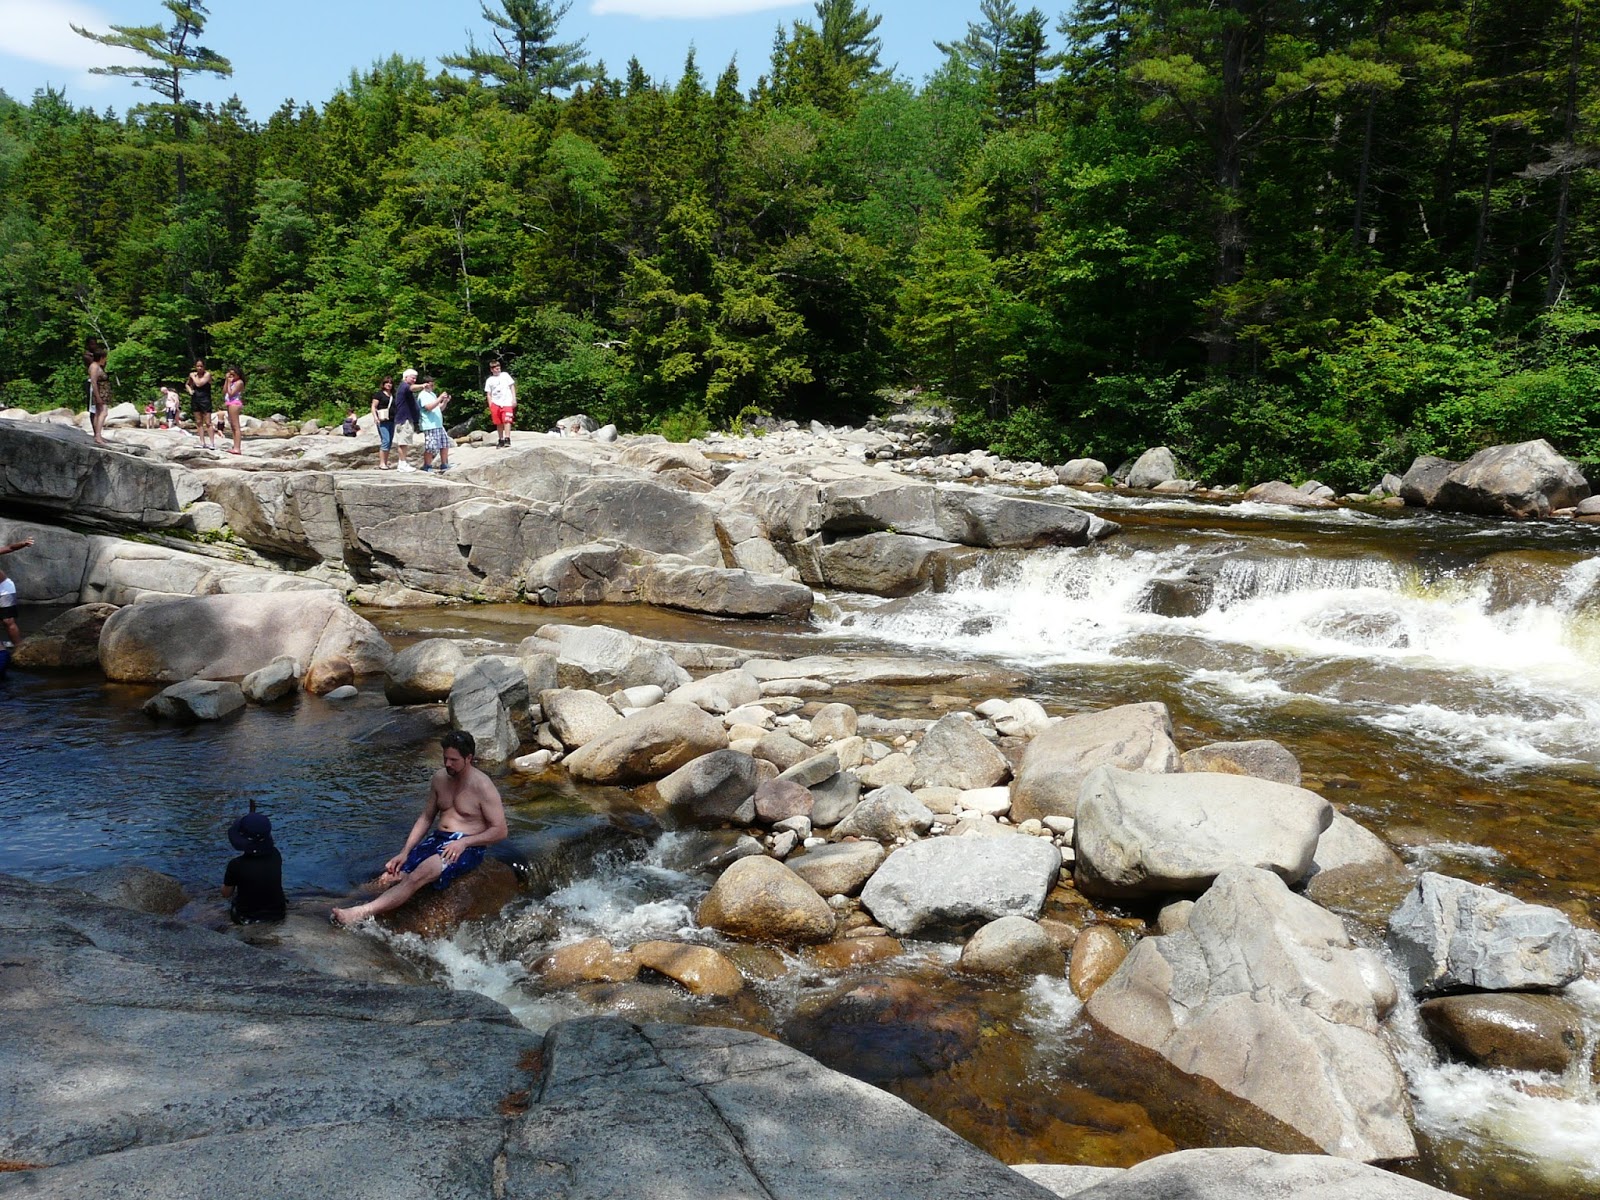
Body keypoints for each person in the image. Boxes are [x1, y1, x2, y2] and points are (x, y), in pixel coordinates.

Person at [331, 730, 507, 927]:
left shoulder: (483, 786)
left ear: (469, 758)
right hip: (439, 838)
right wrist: (405, 852)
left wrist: (464, 843)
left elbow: (500, 830)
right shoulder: (440, 779)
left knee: (417, 875)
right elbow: (426, 818)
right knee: (388, 877)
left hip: (467, 846)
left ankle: (359, 912)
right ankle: (338, 903)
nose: (447, 764)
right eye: (445, 758)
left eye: (454, 760)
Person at [222, 802, 286, 924]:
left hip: (247, 916)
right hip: (278, 913)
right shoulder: (276, 854)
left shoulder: (236, 865)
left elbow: (226, 893)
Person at [0, 536, 33, 647]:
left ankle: (19, 648)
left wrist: (23, 543)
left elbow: (10, 548)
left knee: (7, 621)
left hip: (4, 589)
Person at [418, 377, 451, 472]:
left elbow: (439, 408)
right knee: (431, 447)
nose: (432, 386)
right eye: (431, 384)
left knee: (445, 444)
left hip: (439, 425)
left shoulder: (432, 394)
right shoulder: (422, 395)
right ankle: (427, 465)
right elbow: (428, 407)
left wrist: (444, 401)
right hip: (430, 425)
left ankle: (444, 464)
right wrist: (440, 398)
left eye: (433, 384)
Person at [391, 368, 420, 472]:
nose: (414, 380)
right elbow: (412, 388)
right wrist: (423, 386)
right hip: (404, 419)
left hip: (406, 418)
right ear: (406, 377)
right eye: (413, 378)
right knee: (403, 443)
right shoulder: (404, 386)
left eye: (415, 378)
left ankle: (402, 463)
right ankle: (402, 464)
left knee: (404, 442)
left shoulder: (404, 387)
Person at [484, 359, 516, 448]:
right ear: (492, 369)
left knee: (507, 420)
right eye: (495, 368)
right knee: (499, 422)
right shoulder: (489, 380)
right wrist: (490, 404)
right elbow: (488, 394)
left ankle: (507, 438)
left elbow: (512, 386)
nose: (498, 369)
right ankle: (501, 439)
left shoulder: (505, 375)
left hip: (507, 402)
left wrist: (514, 399)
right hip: (496, 402)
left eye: (499, 368)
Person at [186, 359, 216, 451]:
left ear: (204, 367)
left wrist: (192, 376)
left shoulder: (207, 374)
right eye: (197, 366)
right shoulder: (193, 375)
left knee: (208, 422)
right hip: (196, 399)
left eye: (201, 366)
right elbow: (187, 384)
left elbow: (199, 384)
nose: (199, 368)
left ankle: (212, 443)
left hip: (205, 399)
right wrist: (190, 391)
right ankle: (202, 442)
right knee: (198, 421)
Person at [87, 345, 111, 447]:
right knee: (103, 413)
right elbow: (93, 381)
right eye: (105, 358)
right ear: (101, 357)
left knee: (98, 413)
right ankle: (98, 435)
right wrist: (97, 396)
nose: (105, 360)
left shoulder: (98, 366)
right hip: (99, 392)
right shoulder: (94, 366)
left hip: (103, 392)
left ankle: (98, 435)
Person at [370, 376, 396, 468]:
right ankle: (382, 463)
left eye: (390, 383)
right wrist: (375, 417)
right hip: (382, 420)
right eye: (387, 383)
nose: (389, 384)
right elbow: (373, 406)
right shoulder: (379, 394)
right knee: (386, 440)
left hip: (392, 420)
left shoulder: (393, 395)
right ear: (383, 384)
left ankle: (385, 461)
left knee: (389, 442)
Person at [222, 367, 246, 455]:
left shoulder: (239, 382)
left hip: (234, 403)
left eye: (233, 375)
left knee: (236, 426)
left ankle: (237, 448)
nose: (231, 376)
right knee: (232, 426)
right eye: (230, 374)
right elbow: (224, 392)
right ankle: (235, 446)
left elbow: (231, 393)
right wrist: (226, 381)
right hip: (229, 403)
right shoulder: (231, 382)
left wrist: (229, 383)